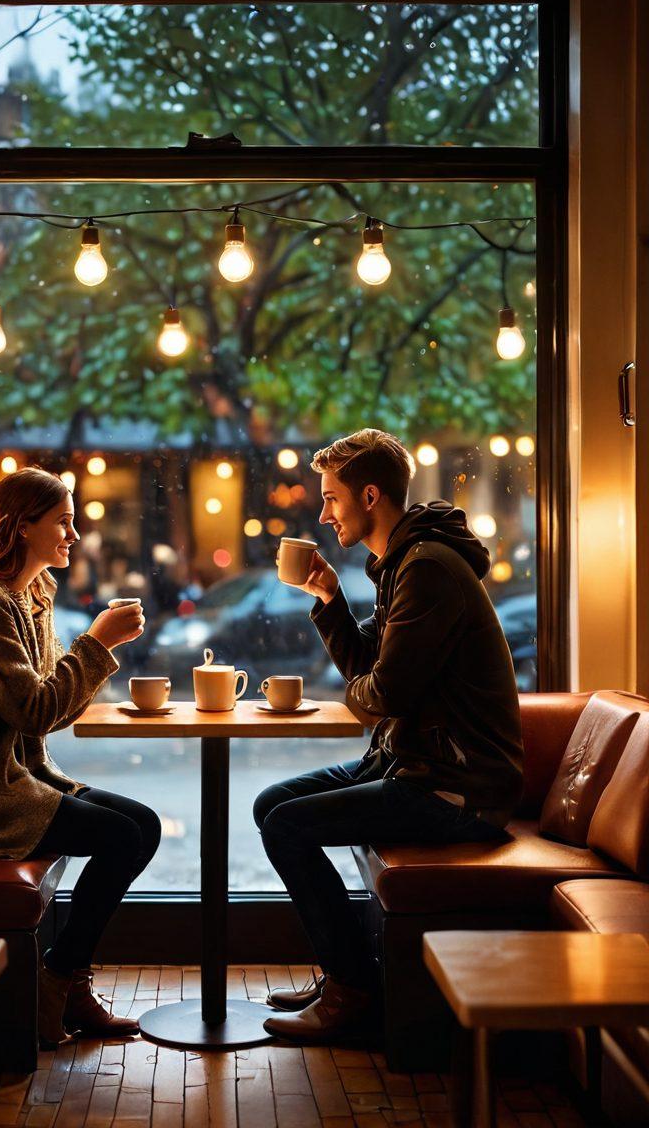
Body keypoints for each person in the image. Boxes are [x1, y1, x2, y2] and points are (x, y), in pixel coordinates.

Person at [254, 429, 523, 1043]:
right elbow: (371, 672)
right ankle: (346, 973)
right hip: (412, 767)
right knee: (272, 806)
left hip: (456, 790)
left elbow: (384, 696)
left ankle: (354, 992)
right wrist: (327, 596)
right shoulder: (404, 562)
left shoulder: (426, 567)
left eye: (331, 500)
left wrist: (360, 696)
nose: (322, 514)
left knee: (286, 824)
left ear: (370, 495)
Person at [0, 467, 161, 1045]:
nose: (74, 535)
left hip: (15, 776)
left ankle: (66, 982)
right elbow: (35, 708)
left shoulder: (31, 594)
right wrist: (98, 644)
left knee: (142, 826)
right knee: (123, 837)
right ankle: (57, 984)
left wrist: (93, 652)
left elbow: (51, 704)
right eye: (63, 522)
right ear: (22, 527)